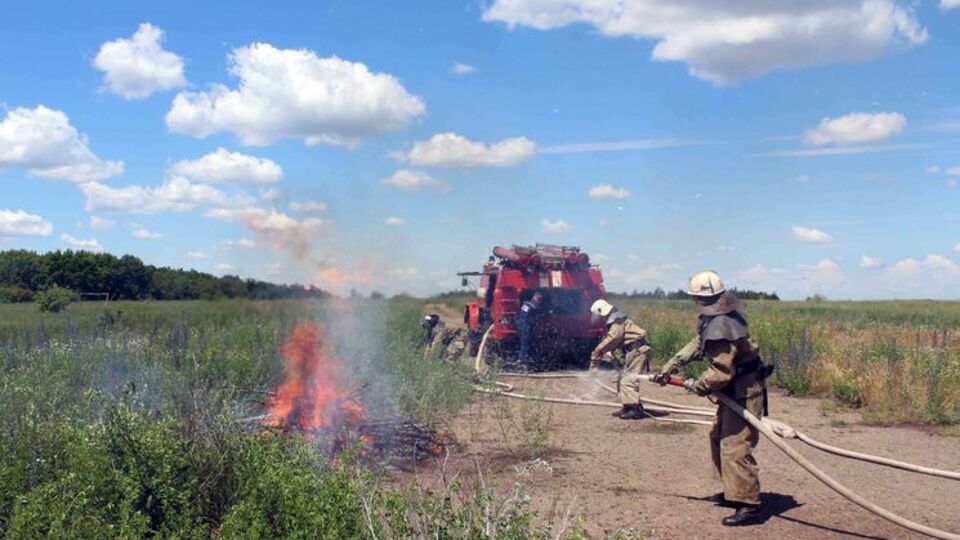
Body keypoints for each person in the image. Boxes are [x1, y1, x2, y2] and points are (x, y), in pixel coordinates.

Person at [654, 270, 771, 527]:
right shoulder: (717, 319)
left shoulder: (721, 324)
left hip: (743, 390)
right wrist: (673, 363)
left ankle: (749, 505)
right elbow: (699, 342)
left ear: (698, 298)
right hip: (734, 389)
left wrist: (699, 385)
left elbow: (721, 372)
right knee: (718, 437)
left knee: (736, 445)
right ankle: (734, 491)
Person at [589, 299, 651, 420]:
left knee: (628, 380)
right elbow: (617, 340)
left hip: (637, 351)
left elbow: (614, 338)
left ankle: (634, 409)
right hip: (634, 351)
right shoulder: (616, 320)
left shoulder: (616, 322)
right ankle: (628, 406)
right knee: (623, 378)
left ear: (601, 312)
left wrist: (598, 352)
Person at [515, 291, 544, 369]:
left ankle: (525, 358)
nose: (539, 301)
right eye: (538, 299)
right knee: (525, 342)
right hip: (525, 325)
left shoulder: (529, 305)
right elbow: (525, 316)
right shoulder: (529, 305)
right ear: (534, 297)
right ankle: (522, 359)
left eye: (540, 299)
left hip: (525, 325)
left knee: (527, 342)